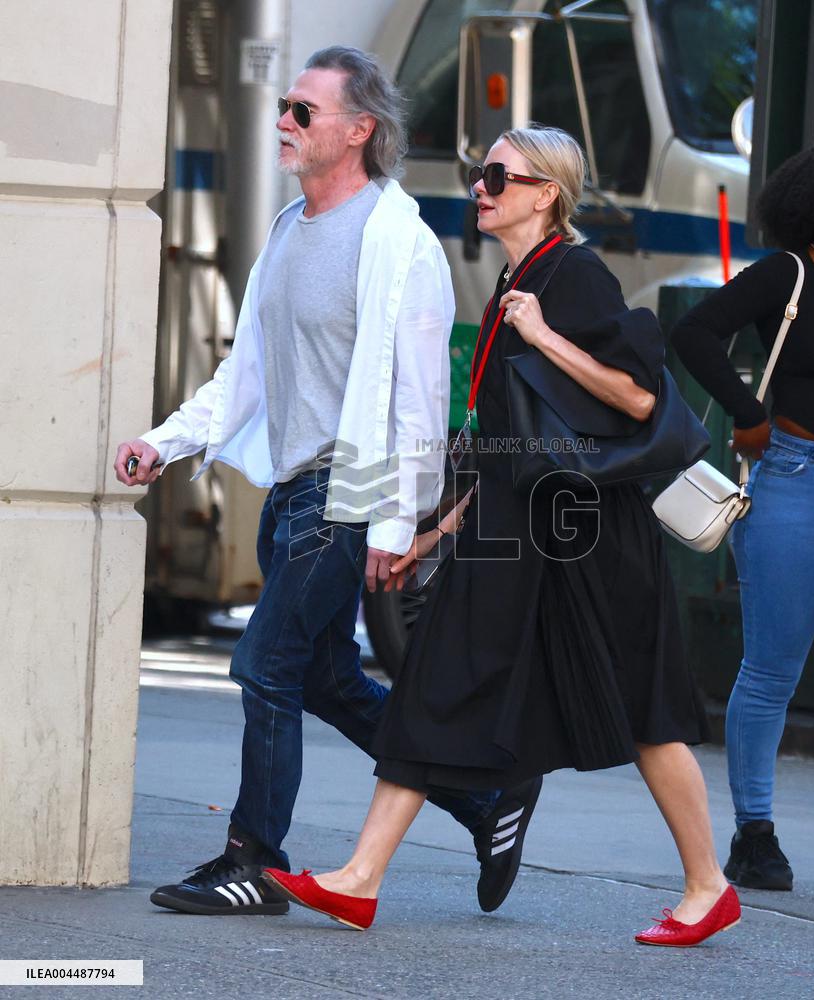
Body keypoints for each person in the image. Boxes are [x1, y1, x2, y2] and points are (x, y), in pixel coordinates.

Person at [261, 125, 741, 947]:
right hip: (511, 531)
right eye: (474, 175)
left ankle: (708, 885)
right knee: (434, 683)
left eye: (495, 176)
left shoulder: (574, 276)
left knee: (642, 713)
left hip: (586, 535)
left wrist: (544, 335)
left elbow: (635, 401)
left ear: (546, 192)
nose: (478, 189)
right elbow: (503, 440)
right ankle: (359, 878)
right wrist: (433, 533)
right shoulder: (515, 283)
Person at [114, 46, 540, 916]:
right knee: (323, 679)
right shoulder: (287, 230)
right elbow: (247, 375)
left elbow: (421, 404)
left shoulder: (401, 245)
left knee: (265, 664)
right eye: (284, 106)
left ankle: (251, 859)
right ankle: (485, 799)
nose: (283, 121)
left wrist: (393, 527)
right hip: (292, 489)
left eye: (302, 111)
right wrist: (165, 442)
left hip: (346, 490)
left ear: (359, 130)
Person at [671, 135, 814, 897]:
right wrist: (748, 413)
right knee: (771, 671)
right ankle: (753, 836)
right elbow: (691, 332)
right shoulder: (786, 274)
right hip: (794, 480)